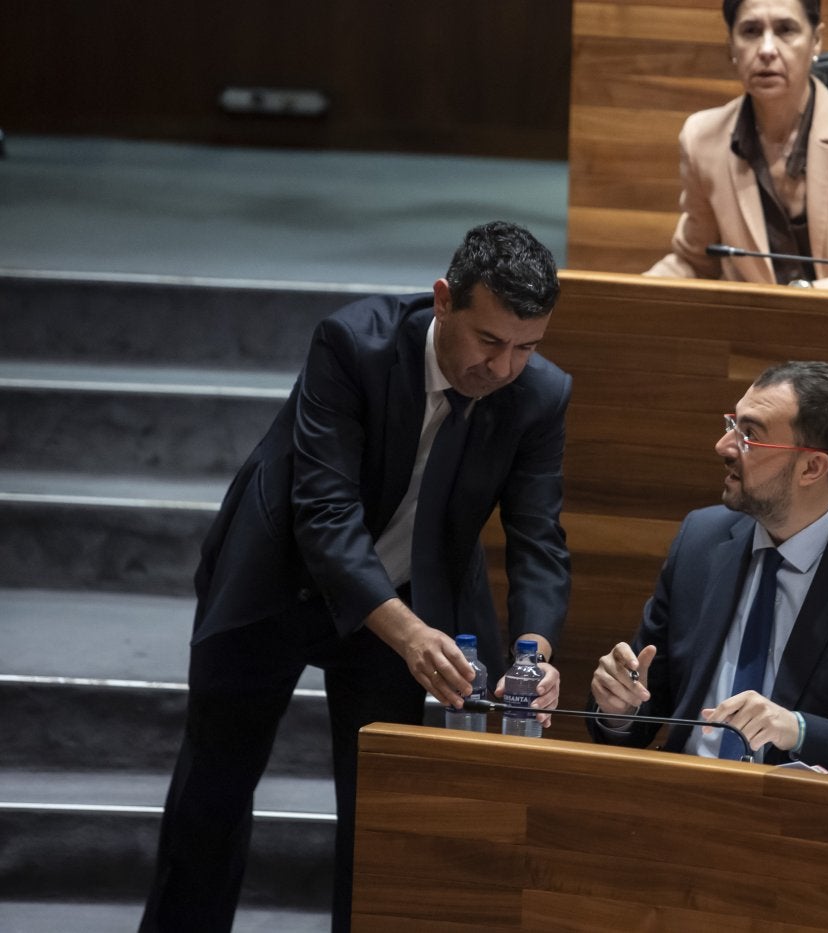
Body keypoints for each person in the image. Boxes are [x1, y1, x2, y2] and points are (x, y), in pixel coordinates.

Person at [141, 221, 572, 932]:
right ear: (443, 301)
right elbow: (324, 513)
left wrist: (536, 652)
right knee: (213, 787)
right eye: (489, 341)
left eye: (526, 347)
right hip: (277, 576)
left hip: (410, 592)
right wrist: (409, 635)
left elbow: (539, 539)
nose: (503, 367)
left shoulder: (541, 396)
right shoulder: (353, 344)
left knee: (379, 814)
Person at [587, 361, 828, 787]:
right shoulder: (702, 541)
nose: (723, 446)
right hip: (681, 798)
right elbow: (643, 708)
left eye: (750, 435)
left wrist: (801, 731)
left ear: (812, 469)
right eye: (733, 424)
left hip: (804, 826)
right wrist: (619, 710)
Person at [644, 0, 828, 294]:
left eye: (785, 30)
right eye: (751, 31)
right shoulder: (702, 139)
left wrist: (802, 296)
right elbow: (694, 263)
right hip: (748, 336)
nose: (767, 49)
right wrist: (625, 298)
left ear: (815, 41)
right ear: (731, 45)